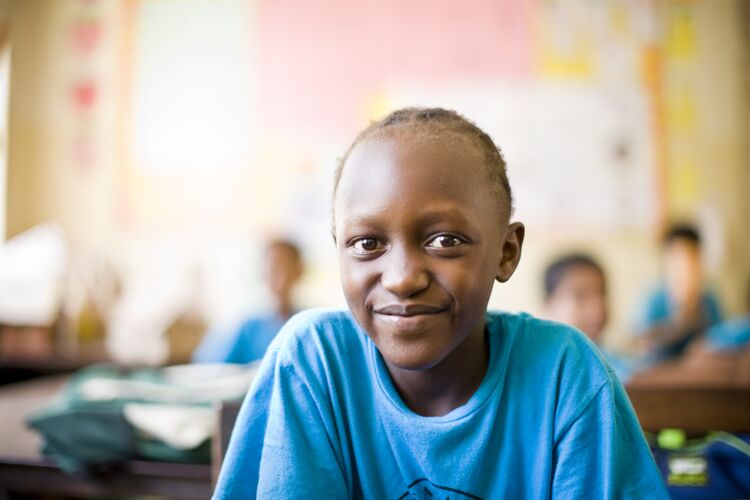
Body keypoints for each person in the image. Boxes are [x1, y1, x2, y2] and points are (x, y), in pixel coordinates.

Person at [214, 108, 667, 498]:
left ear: (506, 252)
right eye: (367, 243)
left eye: (444, 240)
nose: (402, 278)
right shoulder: (313, 364)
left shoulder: (565, 375)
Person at [192, 239, 303, 364]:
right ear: (263, 273)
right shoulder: (245, 322)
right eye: (274, 267)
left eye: (286, 265)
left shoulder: (305, 323)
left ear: (299, 271)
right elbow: (209, 363)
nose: (280, 274)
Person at [543, 253, 645, 383]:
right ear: (549, 303)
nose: (596, 307)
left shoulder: (618, 363)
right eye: (581, 295)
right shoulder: (543, 368)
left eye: (601, 292)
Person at [635, 224, 723, 360]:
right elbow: (642, 344)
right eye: (678, 260)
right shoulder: (655, 300)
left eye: (692, 260)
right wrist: (681, 324)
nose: (685, 268)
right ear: (666, 262)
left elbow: (720, 339)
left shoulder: (708, 301)